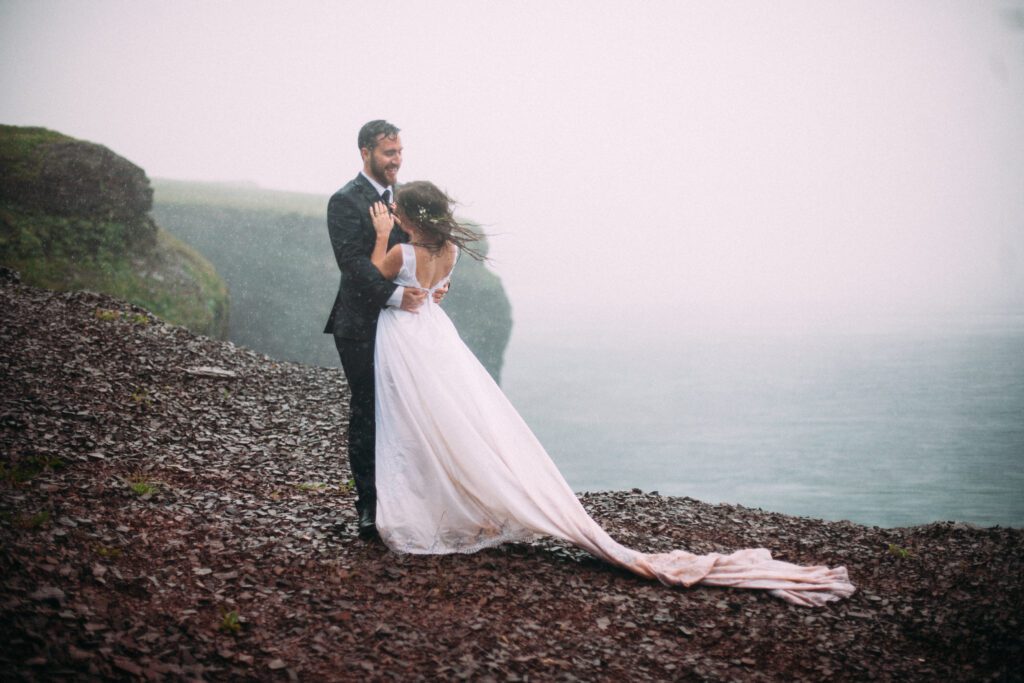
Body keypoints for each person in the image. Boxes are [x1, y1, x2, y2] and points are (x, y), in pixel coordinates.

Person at [366, 181, 855, 607]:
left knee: (412, 420)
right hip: (437, 335)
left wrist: (384, 235)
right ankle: (456, 498)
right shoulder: (448, 252)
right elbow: (433, 287)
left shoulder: (401, 252)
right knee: (447, 416)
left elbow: (368, 278)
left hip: (407, 338)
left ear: (409, 218)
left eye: (401, 214)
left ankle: (428, 504)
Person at [325, 120, 438, 540]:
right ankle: (369, 507)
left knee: (407, 411)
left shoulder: (407, 199)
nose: (397, 160)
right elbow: (351, 264)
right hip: (359, 326)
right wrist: (394, 295)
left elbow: (429, 246)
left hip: (405, 327)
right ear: (365, 153)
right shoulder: (343, 202)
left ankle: (407, 499)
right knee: (369, 411)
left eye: (400, 152)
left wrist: (439, 282)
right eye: (389, 153)